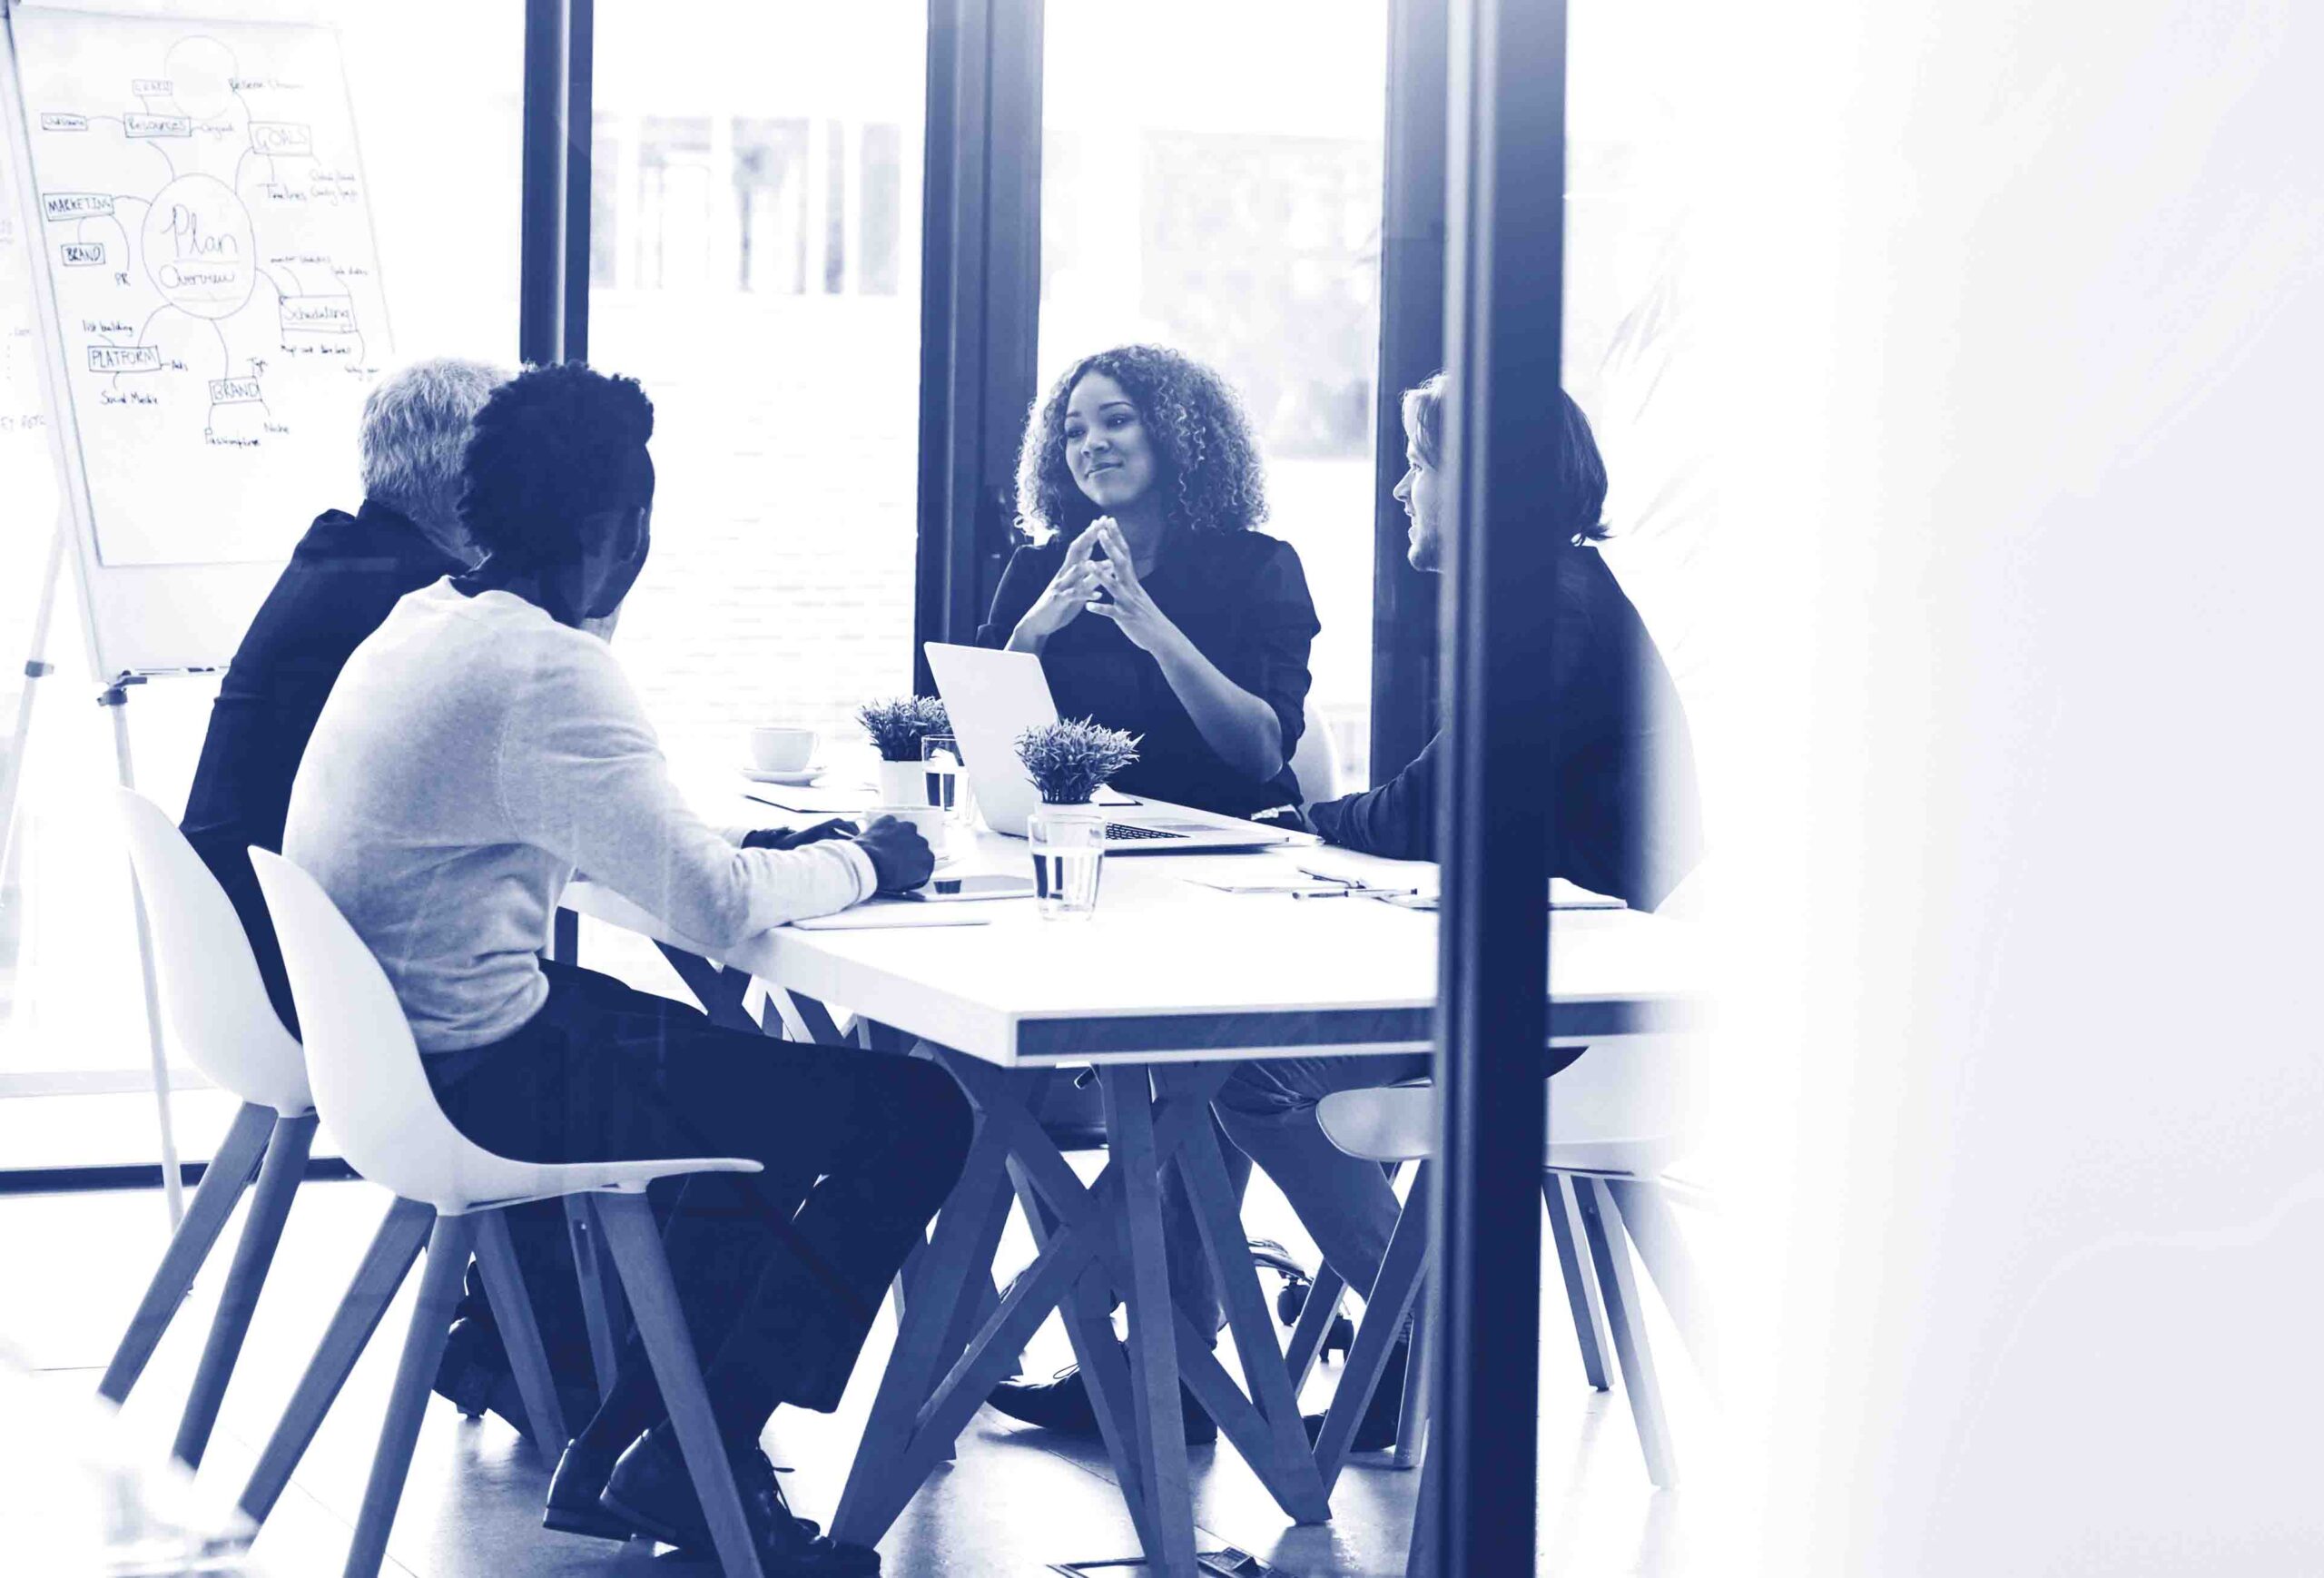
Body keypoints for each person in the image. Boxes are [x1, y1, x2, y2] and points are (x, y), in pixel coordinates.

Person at [282, 362, 967, 1576]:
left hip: (398, 1054)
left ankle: (660, 1429)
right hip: (477, 1076)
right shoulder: (549, 669)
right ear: (616, 531)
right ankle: (694, 1449)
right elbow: (709, 909)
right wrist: (867, 860)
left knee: (731, 1078)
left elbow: (605, 835)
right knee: (913, 1113)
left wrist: (751, 855)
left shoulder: (427, 617)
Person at [1216, 375, 1704, 1448]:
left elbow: (1431, 807)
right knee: (1235, 1064)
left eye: (1418, 463)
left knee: (1242, 1078)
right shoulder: (1559, 595)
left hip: (1563, 1026)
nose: (1400, 488)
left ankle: (1410, 1340)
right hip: (1553, 985)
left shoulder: (1546, 610)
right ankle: (1367, 1337)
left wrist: (1300, 822)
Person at [181, 356, 505, 1035]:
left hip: (234, 957)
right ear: (475, 480)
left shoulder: (339, 555)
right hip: (315, 983)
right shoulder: (427, 603)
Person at [976, 343, 1322, 817]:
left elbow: (1261, 757)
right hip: (1083, 832)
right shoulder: (1039, 572)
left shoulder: (1260, 568)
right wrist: (1029, 633)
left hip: (1234, 839)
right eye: (1074, 432)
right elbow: (985, 756)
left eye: (1116, 421)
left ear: (1173, 435)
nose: (1091, 443)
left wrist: (1155, 631)